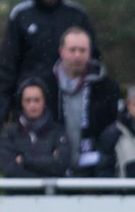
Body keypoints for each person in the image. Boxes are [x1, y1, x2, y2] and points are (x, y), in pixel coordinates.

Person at [0, 0, 97, 126]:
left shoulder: (76, 15)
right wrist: (2, 109)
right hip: (31, 99)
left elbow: (93, 59)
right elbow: (7, 65)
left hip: (70, 98)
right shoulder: (22, 15)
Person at [42, 27, 121, 175]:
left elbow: (112, 132)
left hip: (95, 173)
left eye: (82, 50)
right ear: (61, 51)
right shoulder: (45, 86)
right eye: (72, 50)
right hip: (54, 171)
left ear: (89, 52)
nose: (77, 55)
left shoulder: (107, 88)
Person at [0, 78, 72, 179]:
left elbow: (60, 165)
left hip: (51, 193)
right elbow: (8, 168)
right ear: (21, 103)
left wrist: (24, 160)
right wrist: (46, 167)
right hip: (18, 193)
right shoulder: (9, 133)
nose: (32, 105)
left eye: (37, 100)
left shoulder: (58, 132)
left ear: (44, 102)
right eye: (28, 100)